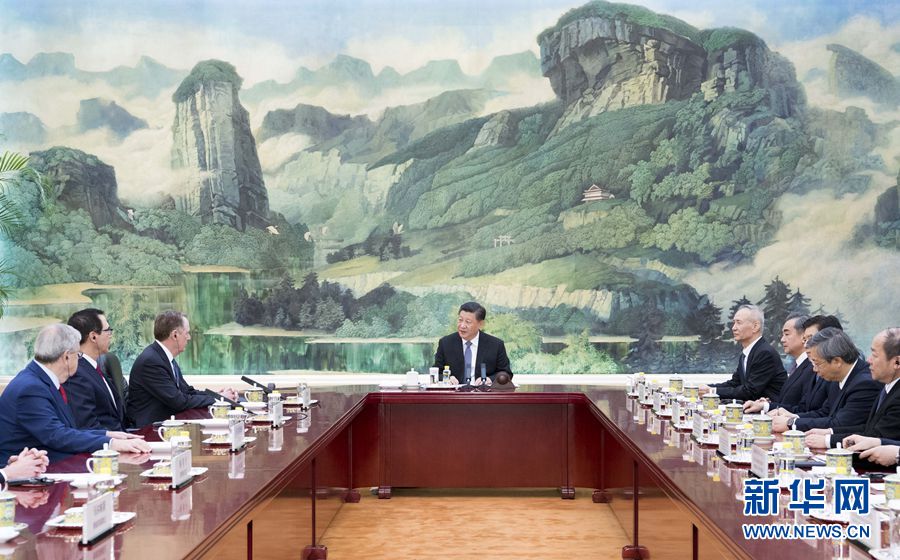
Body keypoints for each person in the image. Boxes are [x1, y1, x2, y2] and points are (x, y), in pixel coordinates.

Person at [0, 324, 150, 464]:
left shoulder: (41, 380)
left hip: (53, 463)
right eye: (78, 355)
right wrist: (111, 444)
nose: (79, 360)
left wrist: (106, 435)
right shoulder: (30, 388)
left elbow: (67, 429)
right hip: (28, 471)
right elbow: (56, 436)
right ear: (66, 357)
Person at [126, 311, 237, 427]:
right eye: (187, 333)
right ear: (175, 335)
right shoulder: (151, 361)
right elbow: (179, 401)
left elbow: (187, 392)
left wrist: (217, 396)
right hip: (149, 429)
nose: (189, 338)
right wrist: (219, 400)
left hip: (167, 424)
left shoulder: (164, 357)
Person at [772, 327, 878, 433]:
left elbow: (840, 423)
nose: (814, 369)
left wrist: (792, 423)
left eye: (817, 364)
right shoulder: (836, 376)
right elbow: (824, 413)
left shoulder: (865, 384)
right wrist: (793, 417)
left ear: (837, 361)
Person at [816, 328, 900, 450]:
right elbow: (868, 428)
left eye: (875, 355)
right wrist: (830, 432)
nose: (869, 360)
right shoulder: (888, 387)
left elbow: (877, 438)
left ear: (897, 362)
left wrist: (828, 441)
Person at [701, 304, 785, 401]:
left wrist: (712, 391)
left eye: (739, 323)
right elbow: (735, 383)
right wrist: (707, 387)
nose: (733, 328)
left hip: (771, 409)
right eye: (734, 323)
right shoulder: (747, 353)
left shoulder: (765, 353)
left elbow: (750, 391)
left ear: (755, 326)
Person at [64, 309, 125, 431]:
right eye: (108, 330)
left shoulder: (93, 366)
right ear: (93, 336)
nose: (110, 334)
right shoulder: (77, 373)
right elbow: (88, 425)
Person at [743, 314, 812, 413]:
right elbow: (788, 402)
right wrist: (765, 404)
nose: (782, 339)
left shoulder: (812, 368)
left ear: (804, 337)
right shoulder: (798, 366)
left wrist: (767, 406)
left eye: (787, 334)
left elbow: (803, 409)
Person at [433, 302, 512, 386]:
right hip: (455, 392)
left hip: (483, 392)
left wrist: (490, 379)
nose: (462, 325)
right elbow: (436, 372)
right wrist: (447, 377)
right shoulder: (446, 343)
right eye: (460, 320)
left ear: (481, 324)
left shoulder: (496, 345)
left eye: (468, 322)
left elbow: (506, 373)